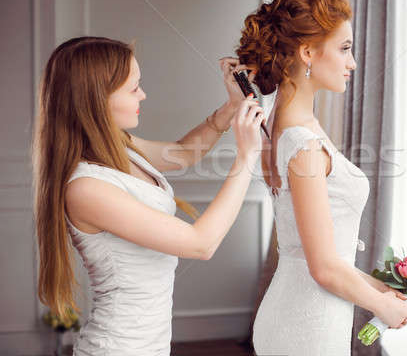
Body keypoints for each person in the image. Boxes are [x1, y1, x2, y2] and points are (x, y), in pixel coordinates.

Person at [32, 36, 265, 355]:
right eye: (133, 88)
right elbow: (201, 243)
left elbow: (182, 154)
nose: (143, 94)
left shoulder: (119, 146)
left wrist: (231, 107)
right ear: (97, 99)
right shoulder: (86, 188)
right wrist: (246, 157)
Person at [236, 0, 407, 355]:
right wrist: (382, 307)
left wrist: (382, 290)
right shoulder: (301, 143)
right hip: (306, 326)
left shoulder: (281, 125)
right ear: (307, 52)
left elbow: (321, 257)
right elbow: (323, 267)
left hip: (307, 314)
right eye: (345, 48)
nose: (352, 63)